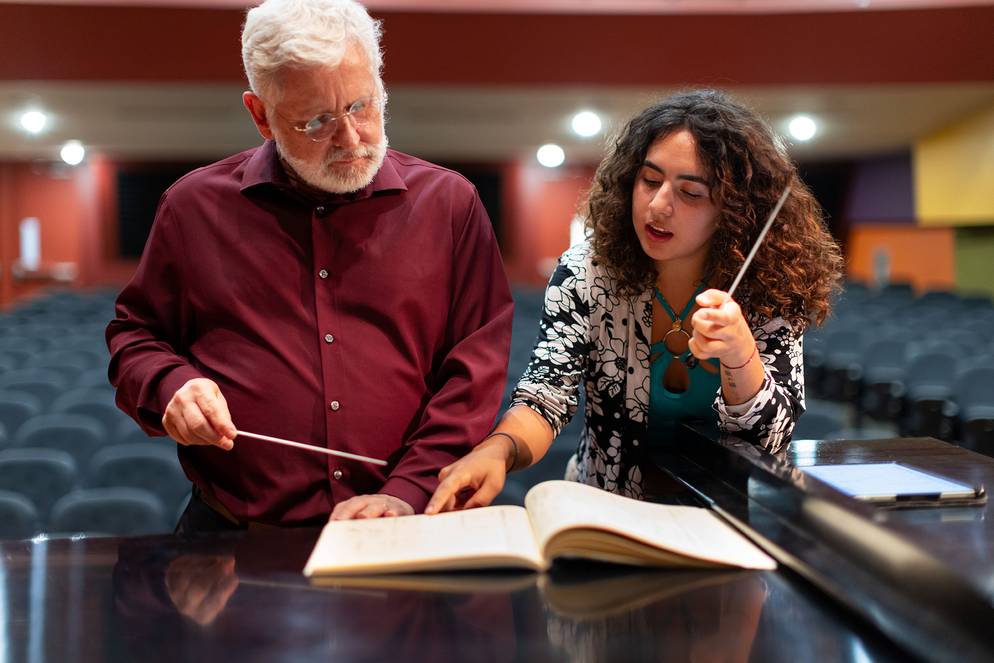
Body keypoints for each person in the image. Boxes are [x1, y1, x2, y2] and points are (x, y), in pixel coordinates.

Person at [107, 0, 513, 530]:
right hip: (236, 536)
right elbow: (136, 336)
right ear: (260, 115)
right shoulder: (193, 207)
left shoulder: (450, 204)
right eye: (316, 120)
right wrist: (170, 385)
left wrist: (408, 490)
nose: (350, 139)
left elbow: (473, 369)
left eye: (361, 106)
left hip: (403, 523)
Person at [427, 89, 842, 513]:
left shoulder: (767, 287)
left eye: (691, 193)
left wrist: (740, 354)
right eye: (650, 180)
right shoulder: (588, 272)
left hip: (721, 523)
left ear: (733, 210)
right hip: (605, 513)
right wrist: (499, 450)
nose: (658, 205)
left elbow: (769, 442)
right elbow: (546, 393)